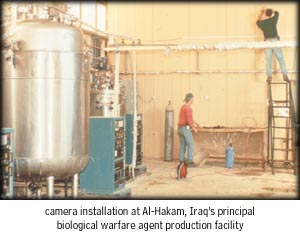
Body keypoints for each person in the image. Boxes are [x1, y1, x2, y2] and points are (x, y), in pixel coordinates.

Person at [256, 8, 289, 82]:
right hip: (275, 41)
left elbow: (257, 21)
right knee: (281, 60)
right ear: (271, 14)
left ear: (265, 14)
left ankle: (269, 76)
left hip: (267, 42)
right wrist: (271, 10)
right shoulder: (273, 20)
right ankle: (285, 75)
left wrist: (262, 13)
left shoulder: (262, 24)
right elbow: (277, 12)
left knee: (268, 60)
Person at [177, 93, 200, 168]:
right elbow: (189, 121)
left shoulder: (183, 107)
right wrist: (194, 128)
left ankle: (181, 160)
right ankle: (190, 161)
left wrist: (196, 123)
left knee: (183, 145)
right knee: (190, 144)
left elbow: (186, 118)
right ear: (190, 99)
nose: (193, 100)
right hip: (185, 129)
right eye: (193, 99)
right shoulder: (189, 108)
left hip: (180, 129)